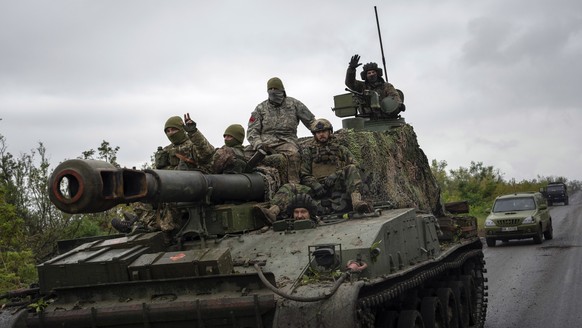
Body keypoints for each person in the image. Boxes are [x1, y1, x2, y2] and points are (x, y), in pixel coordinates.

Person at [111, 114, 215, 235]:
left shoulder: (192, 146)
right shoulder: (166, 150)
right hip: (165, 186)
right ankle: (149, 225)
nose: (171, 133)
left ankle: (166, 230)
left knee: (171, 198)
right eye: (168, 131)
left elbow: (207, 152)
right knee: (139, 197)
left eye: (174, 129)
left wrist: (194, 132)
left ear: (182, 130)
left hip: (188, 188)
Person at [247, 77, 315, 184]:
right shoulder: (260, 108)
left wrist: (321, 132)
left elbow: (311, 122)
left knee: (294, 155)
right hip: (264, 143)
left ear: (282, 90)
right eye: (271, 89)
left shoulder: (294, 104)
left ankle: (294, 185)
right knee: (243, 154)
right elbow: (252, 131)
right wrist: (258, 144)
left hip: (286, 141)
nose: (273, 91)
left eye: (276, 88)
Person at [300, 118, 372, 214]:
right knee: (291, 188)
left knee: (351, 168)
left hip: (337, 184)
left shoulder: (340, 149)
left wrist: (336, 174)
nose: (321, 134)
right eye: (318, 132)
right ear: (315, 135)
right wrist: (314, 184)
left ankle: (356, 202)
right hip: (317, 187)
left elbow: (355, 165)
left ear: (329, 132)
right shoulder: (308, 152)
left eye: (324, 131)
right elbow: (304, 174)